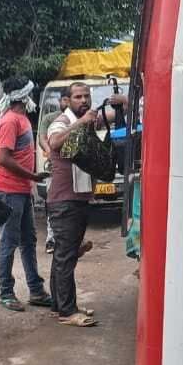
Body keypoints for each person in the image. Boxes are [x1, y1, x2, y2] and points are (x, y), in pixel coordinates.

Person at [45, 82, 123, 327]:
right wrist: (80, 122)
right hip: (64, 200)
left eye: (87, 96)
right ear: (67, 101)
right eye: (78, 97)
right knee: (66, 256)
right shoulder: (61, 121)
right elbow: (55, 142)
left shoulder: (87, 120)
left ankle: (60, 305)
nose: (84, 100)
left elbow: (108, 115)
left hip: (77, 198)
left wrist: (122, 104)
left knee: (63, 255)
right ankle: (68, 312)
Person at [0, 78, 53, 312]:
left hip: (21, 189)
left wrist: (30, 178)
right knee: (10, 242)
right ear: (22, 97)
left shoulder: (22, 119)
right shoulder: (10, 121)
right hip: (9, 191)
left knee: (28, 241)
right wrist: (32, 175)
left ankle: (35, 290)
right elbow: (5, 159)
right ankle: (6, 292)